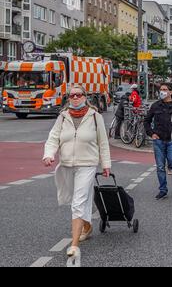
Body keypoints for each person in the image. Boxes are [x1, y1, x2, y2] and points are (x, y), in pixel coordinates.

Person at [43, 85, 111, 257]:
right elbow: (53, 138)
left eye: (78, 95)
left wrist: (106, 164)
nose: (75, 98)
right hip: (66, 164)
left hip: (87, 164)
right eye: (71, 95)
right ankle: (86, 227)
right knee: (77, 199)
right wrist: (49, 154)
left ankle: (74, 245)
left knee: (78, 201)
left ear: (85, 97)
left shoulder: (95, 117)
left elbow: (103, 142)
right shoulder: (63, 116)